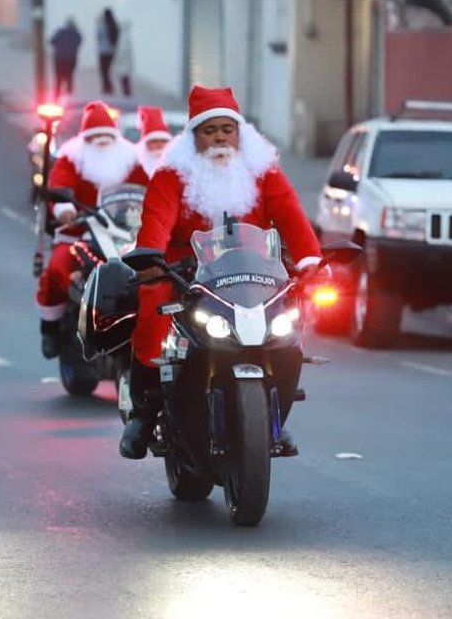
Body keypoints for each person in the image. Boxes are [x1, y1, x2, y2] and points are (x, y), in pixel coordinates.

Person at [121, 86, 324, 459]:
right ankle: (145, 410)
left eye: (226, 129)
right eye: (209, 129)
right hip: (189, 272)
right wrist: (151, 258)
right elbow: (157, 220)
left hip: (255, 272)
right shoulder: (172, 174)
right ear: (195, 135)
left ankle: (272, 413)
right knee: (152, 304)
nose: (219, 137)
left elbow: (292, 214)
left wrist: (311, 260)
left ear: (239, 133)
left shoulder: (263, 171)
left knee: (289, 324)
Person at [38, 100, 148, 358]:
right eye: (95, 135)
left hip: (124, 232)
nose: (101, 140)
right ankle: (50, 327)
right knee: (57, 269)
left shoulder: (130, 158)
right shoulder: (71, 157)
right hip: (78, 231)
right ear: (85, 137)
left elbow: (148, 189)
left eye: (106, 135)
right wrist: (64, 209)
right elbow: (58, 185)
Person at [50, 18, 83, 98]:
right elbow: (79, 43)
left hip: (59, 59)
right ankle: (69, 99)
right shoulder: (77, 34)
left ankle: (56, 98)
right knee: (69, 79)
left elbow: (52, 41)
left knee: (58, 80)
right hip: (71, 59)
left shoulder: (60, 32)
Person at [135, 106, 171, 176]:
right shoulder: (136, 165)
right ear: (145, 143)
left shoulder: (177, 164)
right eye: (154, 141)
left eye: (163, 141)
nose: (159, 144)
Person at [96, 8, 119, 95]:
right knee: (107, 70)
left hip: (103, 51)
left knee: (103, 71)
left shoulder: (103, 25)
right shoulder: (113, 24)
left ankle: (107, 87)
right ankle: (108, 87)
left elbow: (98, 37)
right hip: (110, 51)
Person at [112, 20, 134, 97]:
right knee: (125, 79)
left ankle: (127, 92)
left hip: (124, 63)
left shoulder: (122, 39)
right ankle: (126, 92)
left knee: (124, 79)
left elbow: (121, 52)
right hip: (125, 63)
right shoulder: (125, 39)